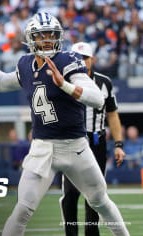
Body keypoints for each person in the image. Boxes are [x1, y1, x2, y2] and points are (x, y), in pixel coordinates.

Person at [0, 12, 129, 235]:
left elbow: (97, 98)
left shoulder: (68, 60)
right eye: (41, 35)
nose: (46, 40)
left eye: (50, 35)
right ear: (30, 38)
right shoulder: (25, 64)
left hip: (76, 147)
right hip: (42, 148)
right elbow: (3, 83)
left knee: (100, 201)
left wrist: (65, 85)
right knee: (22, 209)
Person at [60, 42, 126, 236]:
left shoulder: (104, 82)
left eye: (85, 58)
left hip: (97, 141)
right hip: (72, 140)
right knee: (71, 193)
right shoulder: (63, 80)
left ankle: (92, 234)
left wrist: (119, 144)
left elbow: (112, 114)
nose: (82, 61)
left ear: (92, 60)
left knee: (95, 194)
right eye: (77, 58)